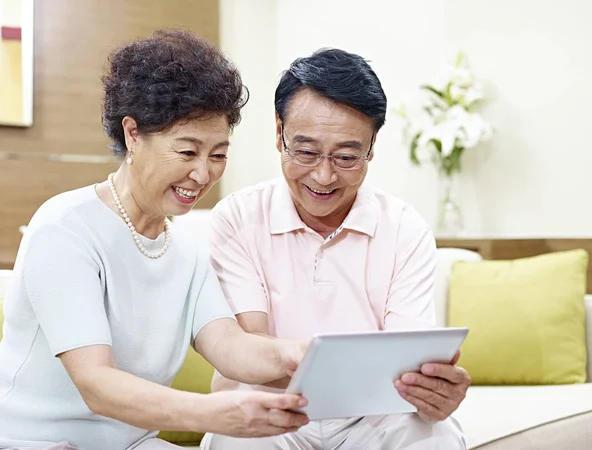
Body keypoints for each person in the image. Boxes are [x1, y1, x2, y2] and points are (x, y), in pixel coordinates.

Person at [0, 30, 311, 450]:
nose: (203, 174)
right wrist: (216, 413)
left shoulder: (187, 254)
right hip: (26, 441)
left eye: (218, 155)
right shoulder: (64, 228)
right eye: (186, 152)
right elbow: (96, 383)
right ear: (133, 134)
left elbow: (231, 346)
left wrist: (294, 355)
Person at [201, 48, 471, 449]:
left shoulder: (404, 228)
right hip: (269, 406)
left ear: (372, 148)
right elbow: (250, 350)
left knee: (435, 436)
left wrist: (429, 390)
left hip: (374, 415)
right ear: (279, 133)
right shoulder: (237, 218)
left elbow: (405, 359)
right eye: (307, 151)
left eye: (346, 157)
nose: (324, 176)